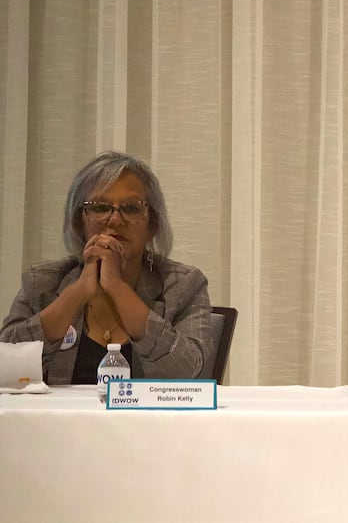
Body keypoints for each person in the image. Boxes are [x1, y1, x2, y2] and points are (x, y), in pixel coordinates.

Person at [1, 151, 211, 384]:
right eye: (100, 207)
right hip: (60, 420)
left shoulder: (183, 285)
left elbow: (191, 376)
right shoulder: (41, 282)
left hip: (147, 421)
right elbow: (6, 370)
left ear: (153, 225)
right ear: (78, 223)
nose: (115, 220)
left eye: (131, 208)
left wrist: (118, 288)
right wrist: (76, 293)